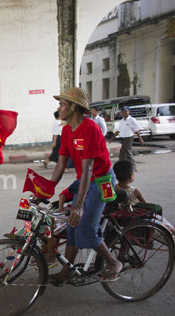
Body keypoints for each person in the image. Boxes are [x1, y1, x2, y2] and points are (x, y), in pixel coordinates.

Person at [48, 87, 122, 285]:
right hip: (85, 180)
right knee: (71, 226)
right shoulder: (66, 130)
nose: (59, 108)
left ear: (73, 107)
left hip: (102, 180)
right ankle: (66, 271)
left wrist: (78, 205)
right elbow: (61, 164)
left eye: (63, 104)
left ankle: (113, 261)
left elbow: (89, 170)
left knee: (85, 225)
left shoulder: (90, 128)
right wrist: (46, 189)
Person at [112, 160, 175, 236]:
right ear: (131, 176)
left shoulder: (114, 188)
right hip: (137, 217)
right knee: (160, 219)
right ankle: (172, 231)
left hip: (121, 218)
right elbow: (147, 205)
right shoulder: (135, 191)